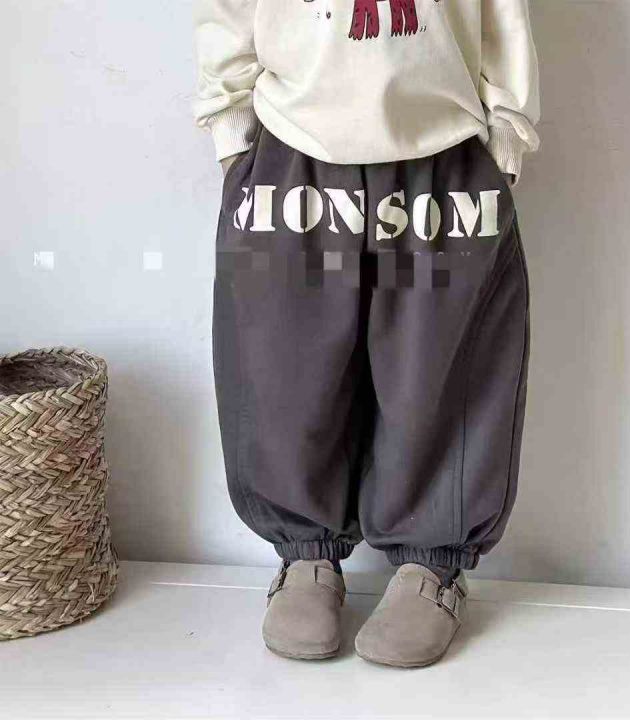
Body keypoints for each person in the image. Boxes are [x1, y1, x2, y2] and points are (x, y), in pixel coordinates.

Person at [193, 0, 540, 667]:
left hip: (444, 145)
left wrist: (506, 134)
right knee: (283, 363)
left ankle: (431, 564)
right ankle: (306, 555)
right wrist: (232, 133)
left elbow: (503, 12)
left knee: (438, 366)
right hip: (292, 144)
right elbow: (228, 10)